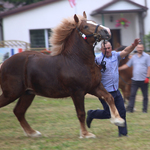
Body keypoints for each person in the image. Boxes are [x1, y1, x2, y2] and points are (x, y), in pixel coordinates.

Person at [86, 39, 140, 137]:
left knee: (122, 111)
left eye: (108, 48)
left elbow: (126, 51)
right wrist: (97, 68)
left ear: (111, 48)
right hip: (104, 91)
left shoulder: (115, 55)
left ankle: (123, 134)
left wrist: (133, 45)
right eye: (104, 48)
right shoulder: (97, 59)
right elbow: (89, 69)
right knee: (108, 113)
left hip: (116, 90)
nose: (107, 50)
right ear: (101, 49)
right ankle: (91, 114)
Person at [119, 43, 150, 113]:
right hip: (135, 80)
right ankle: (130, 109)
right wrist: (118, 68)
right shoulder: (134, 57)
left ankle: (144, 110)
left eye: (141, 48)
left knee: (145, 96)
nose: (140, 49)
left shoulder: (147, 57)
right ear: (136, 49)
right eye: (138, 48)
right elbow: (127, 65)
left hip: (144, 80)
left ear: (143, 48)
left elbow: (149, 67)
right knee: (132, 95)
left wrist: (147, 77)